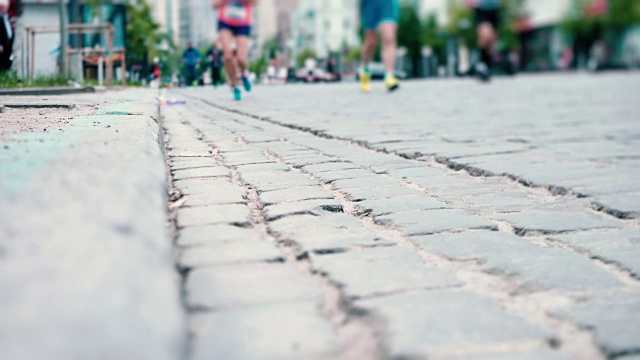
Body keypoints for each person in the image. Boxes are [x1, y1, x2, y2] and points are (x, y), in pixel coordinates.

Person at [212, 0, 257, 101]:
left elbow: (256, 2)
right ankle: (234, 85)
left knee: (241, 59)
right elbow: (214, 5)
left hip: (243, 22)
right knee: (227, 56)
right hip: (225, 22)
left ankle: (244, 73)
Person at [359, 0, 400, 92]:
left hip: (387, 3)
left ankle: (389, 75)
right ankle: (365, 71)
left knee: (389, 37)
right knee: (371, 42)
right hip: (369, 3)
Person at [467, 0, 500, 82]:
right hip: (481, 7)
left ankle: (484, 66)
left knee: (491, 41)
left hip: (494, 7)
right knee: (485, 35)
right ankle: (481, 66)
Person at [0, 0, 13, 71]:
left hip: (7, 44)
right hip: (2, 46)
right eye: (5, 7)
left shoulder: (6, 17)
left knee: (7, 61)